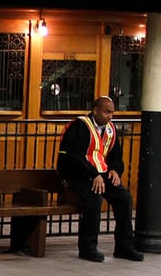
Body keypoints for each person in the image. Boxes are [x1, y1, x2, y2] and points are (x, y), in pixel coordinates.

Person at [57, 95, 144, 262]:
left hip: (101, 175)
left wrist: (115, 171)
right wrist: (93, 174)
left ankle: (124, 247)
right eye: (107, 112)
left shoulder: (110, 129)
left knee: (124, 198)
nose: (110, 116)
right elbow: (73, 157)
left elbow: (116, 155)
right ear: (96, 110)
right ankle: (88, 248)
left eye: (112, 113)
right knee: (94, 200)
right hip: (78, 176)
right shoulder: (80, 126)